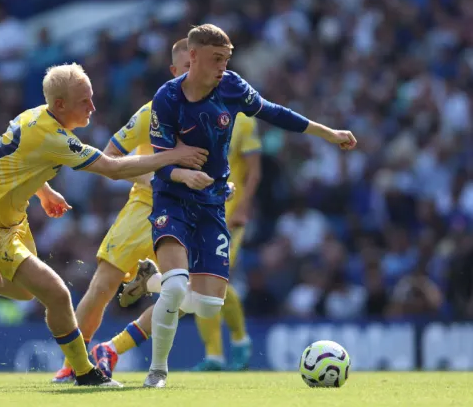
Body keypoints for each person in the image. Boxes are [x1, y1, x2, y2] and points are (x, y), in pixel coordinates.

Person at [0, 62, 208, 387]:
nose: (93, 106)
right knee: (57, 294)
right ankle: (84, 373)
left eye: (91, 98)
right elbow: (114, 168)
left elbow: (9, 159)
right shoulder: (55, 138)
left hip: (9, 218)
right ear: (60, 105)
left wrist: (44, 191)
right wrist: (173, 156)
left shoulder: (34, 117)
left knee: (23, 291)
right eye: (84, 101)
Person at [141, 24, 356, 388]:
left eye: (226, 59)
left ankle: (149, 281)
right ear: (192, 57)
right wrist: (183, 175)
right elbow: (158, 161)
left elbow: (275, 112)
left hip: (212, 203)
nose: (223, 66)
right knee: (178, 289)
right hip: (172, 197)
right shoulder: (167, 98)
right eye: (215, 59)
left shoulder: (232, 87)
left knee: (209, 305)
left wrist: (329, 133)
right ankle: (158, 371)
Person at [87, 38, 260, 378]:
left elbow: (242, 167)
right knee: (179, 290)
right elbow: (111, 160)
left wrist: (222, 190)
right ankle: (218, 352)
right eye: (185, 71)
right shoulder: (158, 109)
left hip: (211, 212)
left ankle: (111, 347)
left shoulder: (233, 113)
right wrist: (158, 179)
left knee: (187, 297)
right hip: (164, 211)